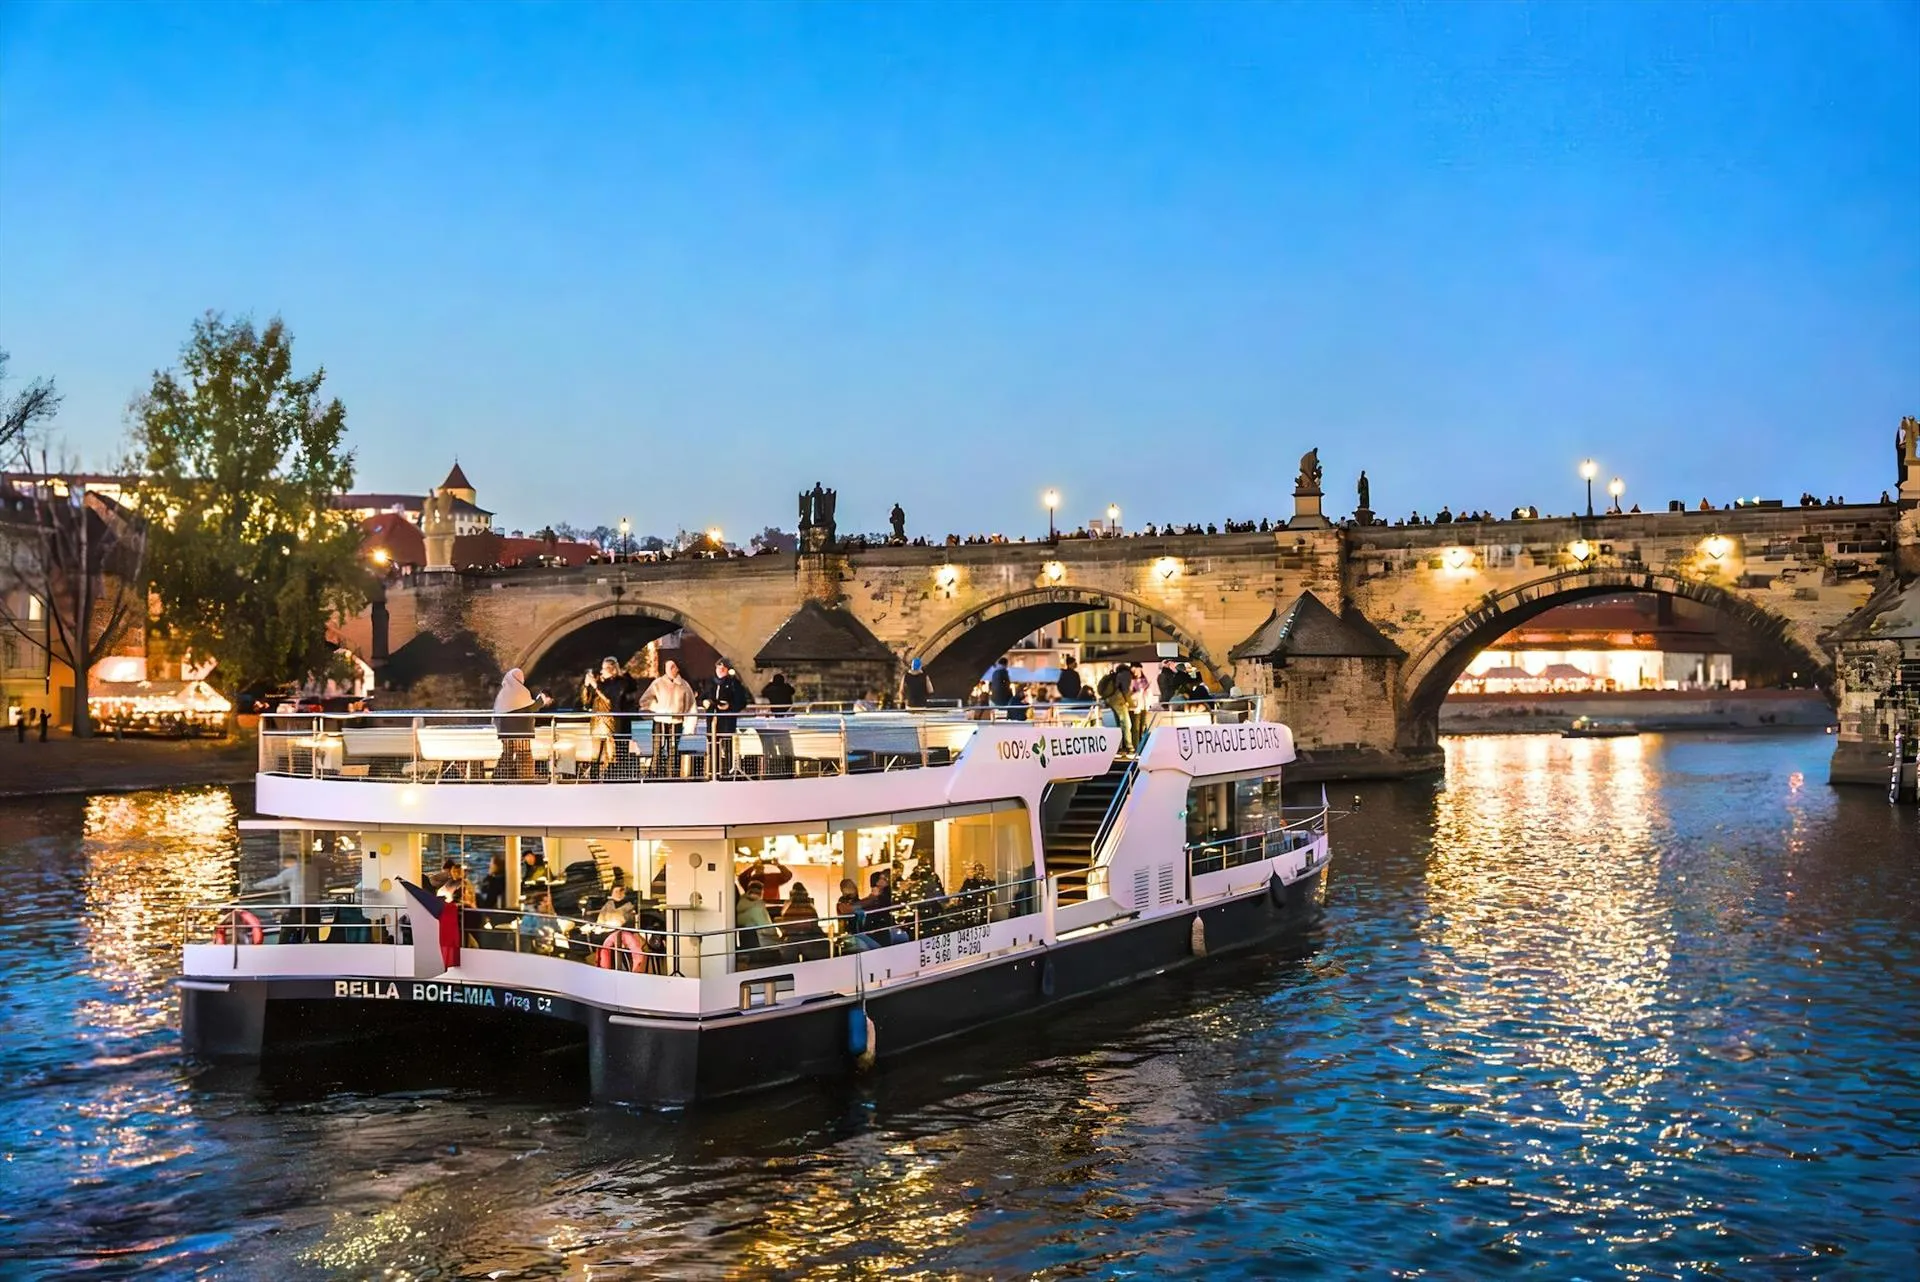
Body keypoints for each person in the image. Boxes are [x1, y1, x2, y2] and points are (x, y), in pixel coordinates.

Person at [493, 668, 551, 779]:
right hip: (522, 732)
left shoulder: (502, 694)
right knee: (524, 755)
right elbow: (531, 708)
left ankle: (500, 777)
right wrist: (542, 699)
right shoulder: (521, 692)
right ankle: (525, 777)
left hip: (505, 733)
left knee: (507, 755)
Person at [700, 659, 752, 777]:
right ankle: (714, 771)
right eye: (719, 667)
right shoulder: (709, 682)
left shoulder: (734, 683)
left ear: (727, 670)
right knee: (713, 744)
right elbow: (702, 697)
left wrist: (730, 706)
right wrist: (705, 702)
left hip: (727, 719)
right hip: (712, 718)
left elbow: (741, 701)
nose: (721, 670)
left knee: (727, 745)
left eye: (723, 668)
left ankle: (726, 771)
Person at [646, 658, 696, 776]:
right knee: (657, 748)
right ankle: (654, 773)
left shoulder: (683, 685)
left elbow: (691, 705)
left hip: (676, 721)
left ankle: (673, 773)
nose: (671, 669)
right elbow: (645, 700)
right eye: (669, 667)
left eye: (673, 667)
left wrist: (690, 724)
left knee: (673, 749)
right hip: (660, 721)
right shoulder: (657, 683)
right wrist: (658, 708)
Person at [777, 883, 829, 962]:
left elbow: (784, 928)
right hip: (808, 943)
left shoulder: (788, 909)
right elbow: (815, 928)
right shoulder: (810, 909)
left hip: (790, 945)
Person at [735, 879, 775, 965]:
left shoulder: (741, 903)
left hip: (745, 936)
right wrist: (776, 935)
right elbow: (766, 928)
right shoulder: (757, 907)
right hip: (757, 938)